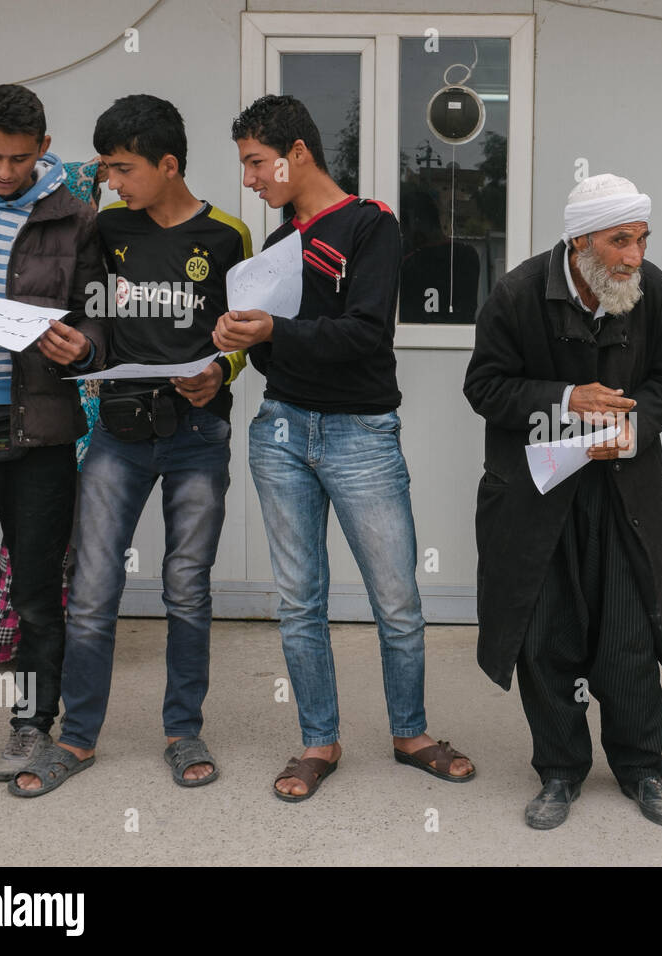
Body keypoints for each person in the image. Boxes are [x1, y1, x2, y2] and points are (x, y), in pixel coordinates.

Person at [216, 94, 473, 801]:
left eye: (257, 163)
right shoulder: (272, 251)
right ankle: (317, 742)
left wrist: (273, 332)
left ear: (297, 151)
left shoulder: (370, 225)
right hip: (279, 433)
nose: (251, 179)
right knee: (300, 601)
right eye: (245, 166)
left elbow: (366, 335)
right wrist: (247, 338)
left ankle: (411, 733)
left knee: (396, 600)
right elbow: (277, 362)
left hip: (360, 434)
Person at [14, 94, 251, 796]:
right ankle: (78, 739)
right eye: (108, 169)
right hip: (117, 435)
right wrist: (79, 347)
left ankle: (183, 730)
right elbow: (95, 322)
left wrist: (221, 370)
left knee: (186, 588)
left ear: (168, 163)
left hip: (197, 435)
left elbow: (242, 334)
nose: (111, 182)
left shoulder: (228, 236)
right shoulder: (107, 229)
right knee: (90, 590)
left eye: (122, 168)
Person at [464, 173, 662, 829]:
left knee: (626, 636)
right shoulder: (515, 294)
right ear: (581, 240)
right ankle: (559, 771)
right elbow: (484, 387)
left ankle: (641, 769)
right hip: (538, 493)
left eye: (641, 239)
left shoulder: (655, 294)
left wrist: (632, 428)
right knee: (546, 636)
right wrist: (565, 402)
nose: (634, 257)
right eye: (621, 241)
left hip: (624, 491)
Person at [0, 84, 106, 776]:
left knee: (37, 591)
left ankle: (33, 724)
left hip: (37, 430)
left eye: (18, 158)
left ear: (43, 146)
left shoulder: (75, 215)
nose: (3, 171)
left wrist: (85, 347)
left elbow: (99, 317)